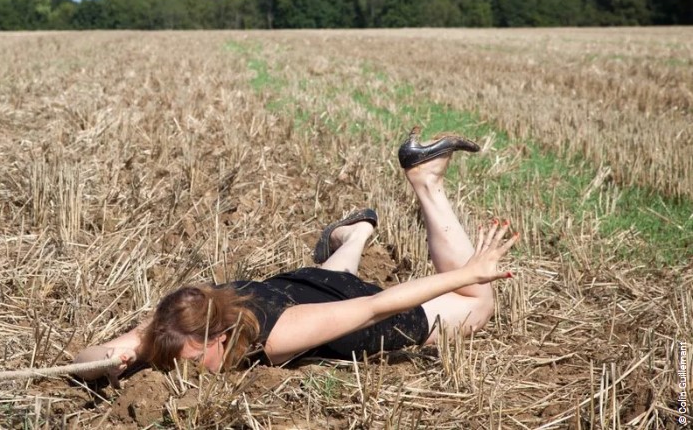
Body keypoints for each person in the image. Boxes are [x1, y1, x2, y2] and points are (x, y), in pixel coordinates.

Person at [72, 128, 518, 378]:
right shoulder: (176, 324)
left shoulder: (282, 334)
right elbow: (82, 361)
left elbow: (377, 304)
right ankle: (356, 234)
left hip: (343, 312)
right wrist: (114, 359)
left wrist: (471, 273)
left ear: (222, 338)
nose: (184, 373)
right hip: (305, 287)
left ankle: (426, 182)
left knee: (478, 304)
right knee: (327, 277)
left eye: (193, 362)